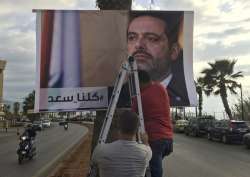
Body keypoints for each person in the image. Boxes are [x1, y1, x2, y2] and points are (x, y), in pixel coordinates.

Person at [127, 12, 190, 106]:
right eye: (132, 37)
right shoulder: (116, 95)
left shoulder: (184, 95)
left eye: (151, 39)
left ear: (173, 51)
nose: (138, 45)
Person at [132, 70, 173, 177]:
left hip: (155, 140)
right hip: (168, 139)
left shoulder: (139, 97)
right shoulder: (161, 88)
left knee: (154, 170)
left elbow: (131, 116)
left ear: (139, 83)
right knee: (150, 167)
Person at [91, 110, 152, 177]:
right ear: (137, 130)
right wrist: (145, 142)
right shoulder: (145, 152)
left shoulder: (101, 150)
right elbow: (148, 149)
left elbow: (93, 162)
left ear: (118, 127)